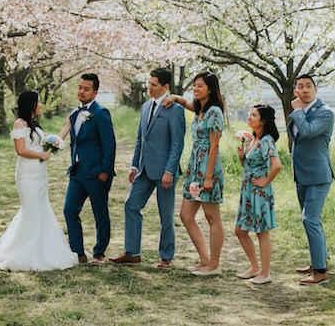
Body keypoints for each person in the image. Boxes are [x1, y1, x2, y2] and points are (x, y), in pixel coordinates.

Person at [0, 91, 79, 271]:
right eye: (39, 102)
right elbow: (20, 150)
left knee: (41, 208)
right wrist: (41, 155)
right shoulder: (19, 123)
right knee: (31, 211)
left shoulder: (35, 125)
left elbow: (51, 143)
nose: (41, 105)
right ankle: (24, 252)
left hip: (40, 175)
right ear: (31, 104)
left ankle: (43, 250)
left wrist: (67, 126)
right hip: (27, 175)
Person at [110, 68, 186, 268]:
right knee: (131, 205)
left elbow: (177, 144)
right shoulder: (145, 107)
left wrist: (170, 171)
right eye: (149, 83)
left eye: (154, 84)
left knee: (166, 215)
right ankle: (132, 253)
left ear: (165, 86)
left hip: (165, 172)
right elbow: (140, 140)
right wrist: (134, 165)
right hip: (144, 169)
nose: (149, 88)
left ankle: (166, 257)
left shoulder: (175, 110)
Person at [165, 71, 225, 275]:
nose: (196, 89)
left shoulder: (214, 112)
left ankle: (214, 265)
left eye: (200, 86)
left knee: (211, 217)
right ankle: (205, 259)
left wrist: (208, 177)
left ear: (210, 88)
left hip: (208, 168)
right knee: (186, 215)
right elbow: (187, 104)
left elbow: (214, 147)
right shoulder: (200, 109)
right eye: (194, 86)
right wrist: (174, 98)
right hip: (194, 168)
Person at [59, 73, 116, 264]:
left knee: (100, 213)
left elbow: (110, 145)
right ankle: (78, 253)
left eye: (86, 89)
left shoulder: (101, 113)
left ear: (95, 92)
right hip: (77, 172)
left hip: (96, 173)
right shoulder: (74, 113)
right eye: (80, 87)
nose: (81, 91)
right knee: (69, 210)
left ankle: (99, 253)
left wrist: (104, 172)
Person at [287, 74, 334, 285]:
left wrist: (297, 111)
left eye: (308, 86)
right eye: (300, 86)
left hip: (318, 176)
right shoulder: (301, 112)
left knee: (310, 220)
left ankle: (321, 272)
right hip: (302, 176)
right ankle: (317, 261)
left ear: (315, 90)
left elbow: (306, 132)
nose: (304, 90)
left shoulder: (325, 113)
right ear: (296, 91)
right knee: (312, 222)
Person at [234, 105, 282, 284]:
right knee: (240, 230)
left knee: (262, 231)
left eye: (253, 115)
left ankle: (265, 272)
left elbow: (276, 165)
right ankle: (254, 267)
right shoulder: (252, 139)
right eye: (249, 114)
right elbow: (248, 166)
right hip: (247, 189)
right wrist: (241, 157)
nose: (249, 117)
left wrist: (265, 181)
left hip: (259, 191)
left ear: (263, 121)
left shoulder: (267, 140)